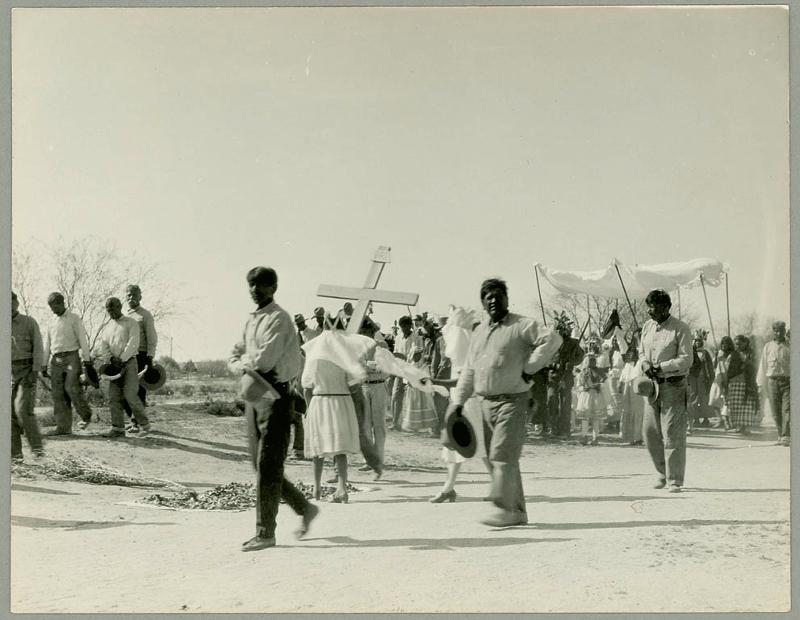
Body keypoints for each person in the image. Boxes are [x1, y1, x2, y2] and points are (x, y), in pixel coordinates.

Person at [448, 278, 562, 527]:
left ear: (507, 299)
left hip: (513, 401)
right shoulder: (479, 332)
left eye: (498, 295)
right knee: (497, 457)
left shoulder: (523, 325)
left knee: (502, 454)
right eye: (487, 296)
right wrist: (458, 402)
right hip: (484, 403)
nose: (492, 300)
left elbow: (553, 339)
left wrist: (531, 367)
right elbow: (469, 369)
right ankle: (517, 512)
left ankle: (503, 509)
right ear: (482, 303)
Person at [228, 266, 318, 552]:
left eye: (260, 285)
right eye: (251, 284)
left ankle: (265, 532)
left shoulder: (280, 319)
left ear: (273, 287)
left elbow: (265, 361)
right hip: (254, 396)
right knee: (260, 464)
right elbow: (233, 354)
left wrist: (244, 362)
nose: (254, 289)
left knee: (269, 464)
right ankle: (304, 507)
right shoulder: (252, 320)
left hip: (278, 397)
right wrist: (243, 362)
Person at [431, 305, 492, 503]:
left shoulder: (470, 352)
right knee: (454, 446)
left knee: (479, 445)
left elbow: (460, 382)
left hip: (470, 404)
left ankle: (500, 486)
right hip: (459, 403)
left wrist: (435, 381)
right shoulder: (461, 353)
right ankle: (449, 487)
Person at [638, 289, 693, 493]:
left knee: (672, 433)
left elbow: (687, 359)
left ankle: (675, 479)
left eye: (653, 306)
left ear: (666, 307)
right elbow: (641, 351)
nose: (649, 310)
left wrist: (662, 366)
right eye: (648, 306)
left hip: (674, 385)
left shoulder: (681, 328)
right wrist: (644, 364)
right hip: (652, 386)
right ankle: (661, 472)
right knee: (650, 432)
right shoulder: (647, 327)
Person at [301, 320, 362, 503]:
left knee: (318, 447)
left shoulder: (314, 356)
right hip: (340, 401)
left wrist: (308, 406)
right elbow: (354, 384)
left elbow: (306, 386)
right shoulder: (344, 355)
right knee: (339, 447)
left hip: (320, 400)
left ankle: (317, 489)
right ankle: (342, 488)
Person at [93, 297, 152, 438]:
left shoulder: (131, 323)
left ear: (120, 306)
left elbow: (133, 342)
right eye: (108, 310)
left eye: (113, 308)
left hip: (130, 363)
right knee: (114, 397)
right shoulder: (107, 327)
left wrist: (123, 358)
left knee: (130, 395)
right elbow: (104, 346)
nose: (111, 312)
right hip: (114, 367)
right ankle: (118, 428)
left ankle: (144, 425)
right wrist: (111, 359)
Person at [41, 292, 94, 435]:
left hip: (72, 357)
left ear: (62, 303)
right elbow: (47, 344)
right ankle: (63, 427)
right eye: (51, 307)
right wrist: (44, 364)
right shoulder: (50, 322)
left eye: (55, 306)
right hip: (56, 359)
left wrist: (87, 360)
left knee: (71, 387)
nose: (53, 309)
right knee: (58, 393)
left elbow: (82, 339)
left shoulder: (74, 318)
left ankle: (86, 415)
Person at [11, 291, 45, 460]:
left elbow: (39, 348)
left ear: (16, 303)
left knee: (23, 410)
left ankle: (38, 450)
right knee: (8, 415)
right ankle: (15, 455)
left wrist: (35, 371)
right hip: (8, 372)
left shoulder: (29, 322)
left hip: (27, 371)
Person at [122, 284, 157, 433]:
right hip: (127, 357)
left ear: (140, 297)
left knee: (139, 391)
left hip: (141, 356)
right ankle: (133, 419)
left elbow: (152, 338)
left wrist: (149, 358)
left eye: (134, 295)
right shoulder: (124, 317)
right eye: (129, 295)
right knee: (124, 391)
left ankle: (136, 423)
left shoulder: (145, 315)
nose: (131, 298)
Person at [758, 320, 790, 446]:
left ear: (784, 330)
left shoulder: (790, 345)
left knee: (787, 409)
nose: (779, 333)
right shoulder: (768, 346)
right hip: (772, 381)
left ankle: (786, 435)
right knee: (775, 410)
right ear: (773, 331)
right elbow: (763, 366)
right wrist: (760, 385)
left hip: (787, 381)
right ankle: (780, 434)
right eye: (776, 330)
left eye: (781, 330)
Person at [724, 335, 760, 435]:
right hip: (735, 382)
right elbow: (729, 369)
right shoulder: (734, 354)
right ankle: (739, 425)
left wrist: (746, 362)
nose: (738, 346)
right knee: (736, 405)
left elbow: (756, 366)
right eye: (736, 344)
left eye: (740, 344)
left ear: (745, 342)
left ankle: (746, 427)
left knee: (747, 405)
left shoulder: (752, 353)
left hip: (748, 382)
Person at [390, 316, 420, 429]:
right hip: (400, 370)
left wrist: (407, 358)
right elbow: (396, 352)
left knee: (413, 397)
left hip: (412, 369)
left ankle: (413, 423)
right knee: (395, 396)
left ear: (409, 326)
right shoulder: (398, 338)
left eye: (406, 326)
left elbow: (417, 355)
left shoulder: (416, 337)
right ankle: (395, 422)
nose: (403, 328)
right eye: (402, 326)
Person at [686, 331, 715, 433]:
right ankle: (695, 418)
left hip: (703, 378)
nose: (698, 343)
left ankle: (706, 418)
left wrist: (711, 377)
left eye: (699, 341)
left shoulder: (705, 353)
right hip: (693, 377)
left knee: (704, 397)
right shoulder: (690, 352)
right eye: (696, 341)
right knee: (693, 397)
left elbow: (710, 366)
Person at [618, 333, 644, 444]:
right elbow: (624, 374)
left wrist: (639, 339)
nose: (630, 355)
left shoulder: (641, 360)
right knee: (627, 410)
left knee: (637, 411)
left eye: (633, 353)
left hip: (637, 385)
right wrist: (620, 383)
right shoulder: (628, 363)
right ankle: (628, 436)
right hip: (627, 386)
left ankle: (638, 437)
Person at [575, 354, 606, 445]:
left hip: (596, 395)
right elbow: (578, 385)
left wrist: (599, 385)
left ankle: (595, 437)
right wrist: (583, 388)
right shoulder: (583, 372)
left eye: (593, 360)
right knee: (585, 417)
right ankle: (584, 436)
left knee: (595, 418)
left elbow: (604, 383)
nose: (592, 362)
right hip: (586, 396)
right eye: (590, 360)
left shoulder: (600, 371)